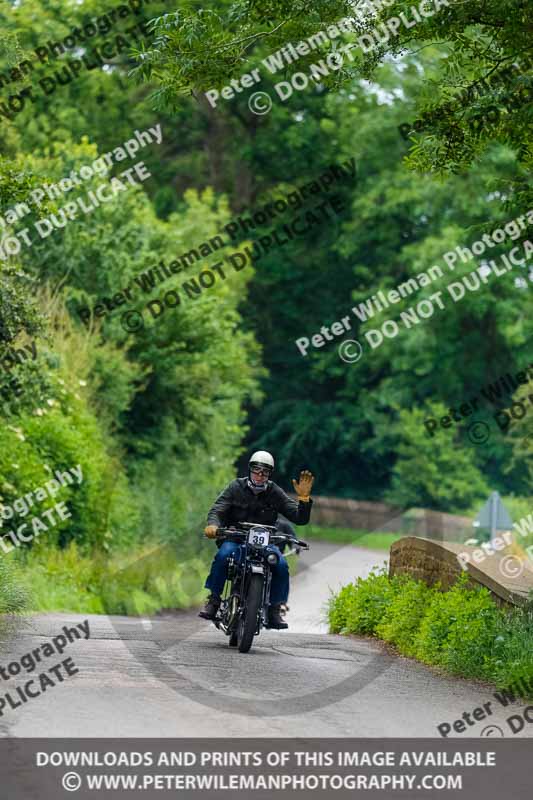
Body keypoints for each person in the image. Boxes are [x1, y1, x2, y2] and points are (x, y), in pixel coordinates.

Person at [199, 451, 314, 629]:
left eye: (265, 472)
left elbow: (299, 517)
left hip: (264, 543)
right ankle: (213, 600)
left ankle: (274, 610)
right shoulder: (235, 487)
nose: (260, 475)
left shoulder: (274, 492)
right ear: (250, 469)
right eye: (256, 470)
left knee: (281, 564)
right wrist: (213, 525)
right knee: (224, 555)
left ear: (269, 474)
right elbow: (217, 510)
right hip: (235, 538)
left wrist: (304, 501)